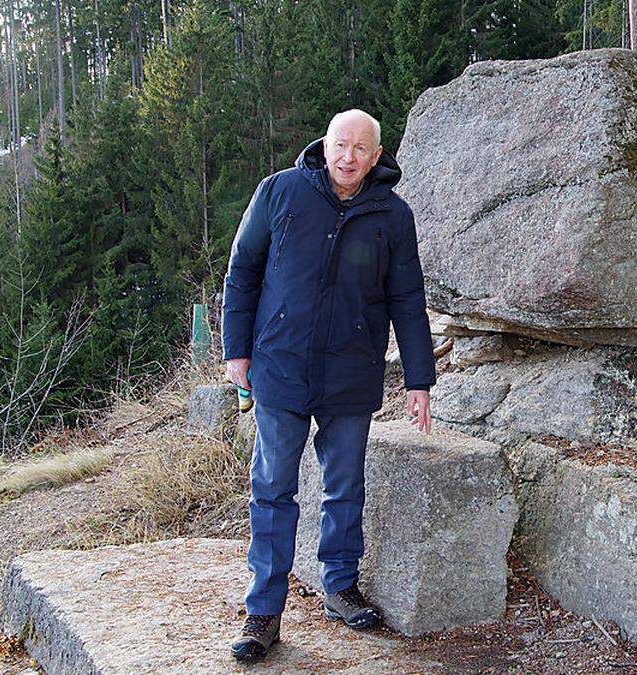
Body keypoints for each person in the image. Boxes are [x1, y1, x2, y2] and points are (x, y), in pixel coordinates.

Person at [221, 109, 436, 661]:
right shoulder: (281, 192)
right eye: (341, 145)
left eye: (361, 149)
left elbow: (407, 299)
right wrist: (236, 351)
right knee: (272, 490)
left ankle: (339, 586)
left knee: (344, 486)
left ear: (375, 155)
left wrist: (419, 379)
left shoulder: (392, 214)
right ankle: (263, 611)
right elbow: (242, 270)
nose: (348, 157)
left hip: (351, 371)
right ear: (325, 145)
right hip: (280, 367)